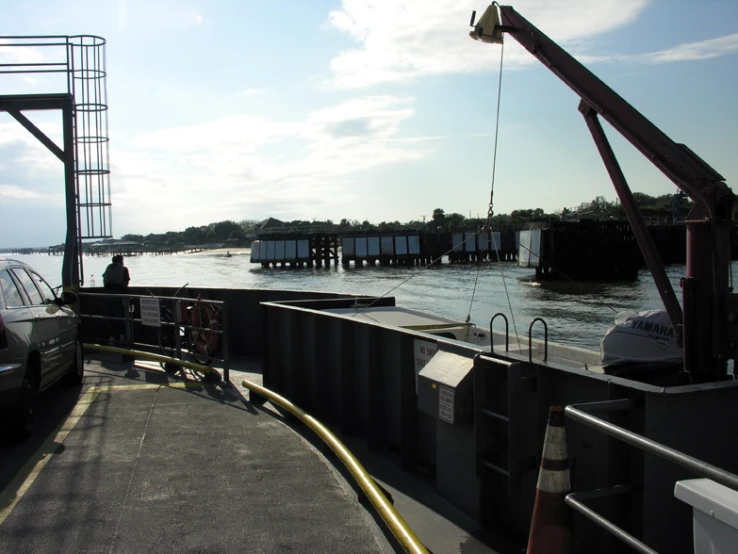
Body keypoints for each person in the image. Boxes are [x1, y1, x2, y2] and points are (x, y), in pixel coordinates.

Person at [102, 255, 131, 345]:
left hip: (107, 296)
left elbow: (104, 280)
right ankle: (122, 336)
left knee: (110, 317)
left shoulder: (108, 268)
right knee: (121, 316)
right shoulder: (123, 269)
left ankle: (112, 337)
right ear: (120, 261)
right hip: (118, 296)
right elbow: (125, 283)